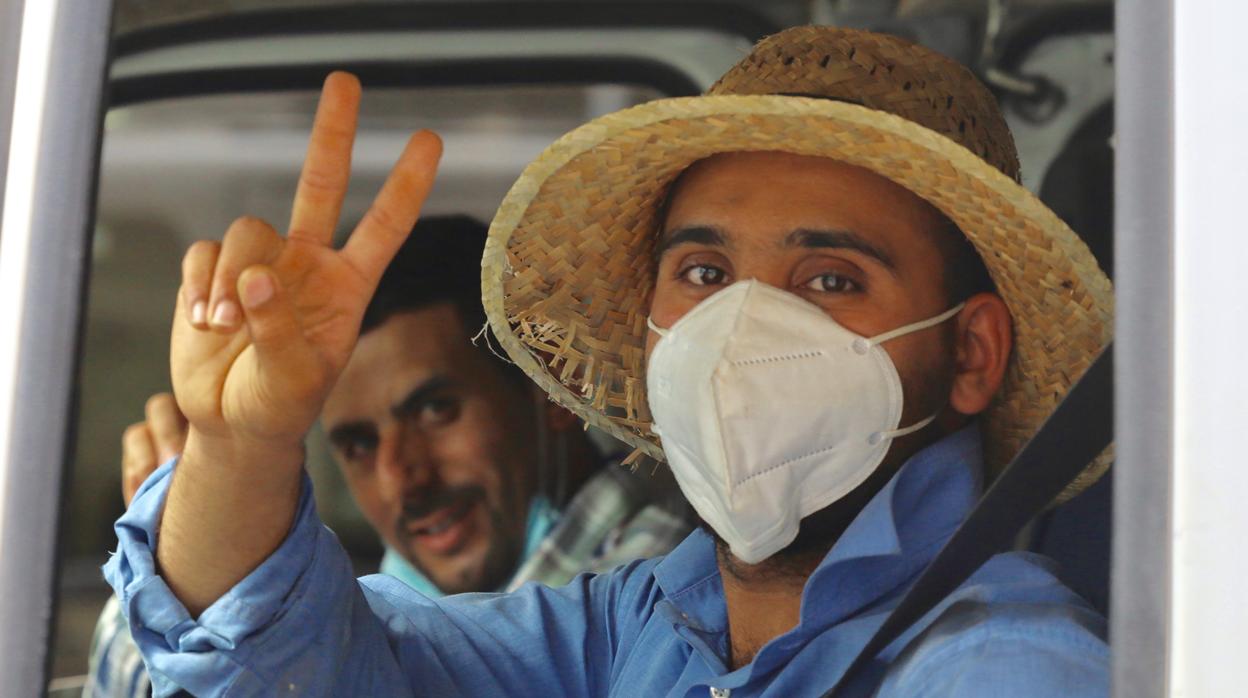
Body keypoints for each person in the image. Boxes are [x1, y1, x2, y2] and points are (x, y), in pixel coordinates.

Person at [104, 26, 1113, 696]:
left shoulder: (1008, 666)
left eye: (831, 280)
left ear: (972, 352)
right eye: (705, 270)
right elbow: (303, 667)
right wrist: (243, 443)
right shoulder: (639, 624)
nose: (741, 331)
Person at [86, 217, 692, 697]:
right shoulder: (390, 610)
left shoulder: (657, 586)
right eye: (358, 445)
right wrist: (207, 514)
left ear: (552, 387)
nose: (403, 476)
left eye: (435, 411)